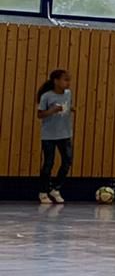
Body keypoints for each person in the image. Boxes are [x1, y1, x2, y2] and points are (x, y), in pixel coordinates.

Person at [35, 68, 73, 204]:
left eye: (69, 80)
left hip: (65, 133)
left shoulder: (68, 93)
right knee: (48, 163)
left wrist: (70, 109)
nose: (68, 83)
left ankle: (55, 188)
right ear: (56, 81)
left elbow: (67, 106)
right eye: (65, 80)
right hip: (49, 135)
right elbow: (40, 114)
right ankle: (43, 191)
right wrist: (52, 110)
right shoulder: (47, 96)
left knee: (67, 161)